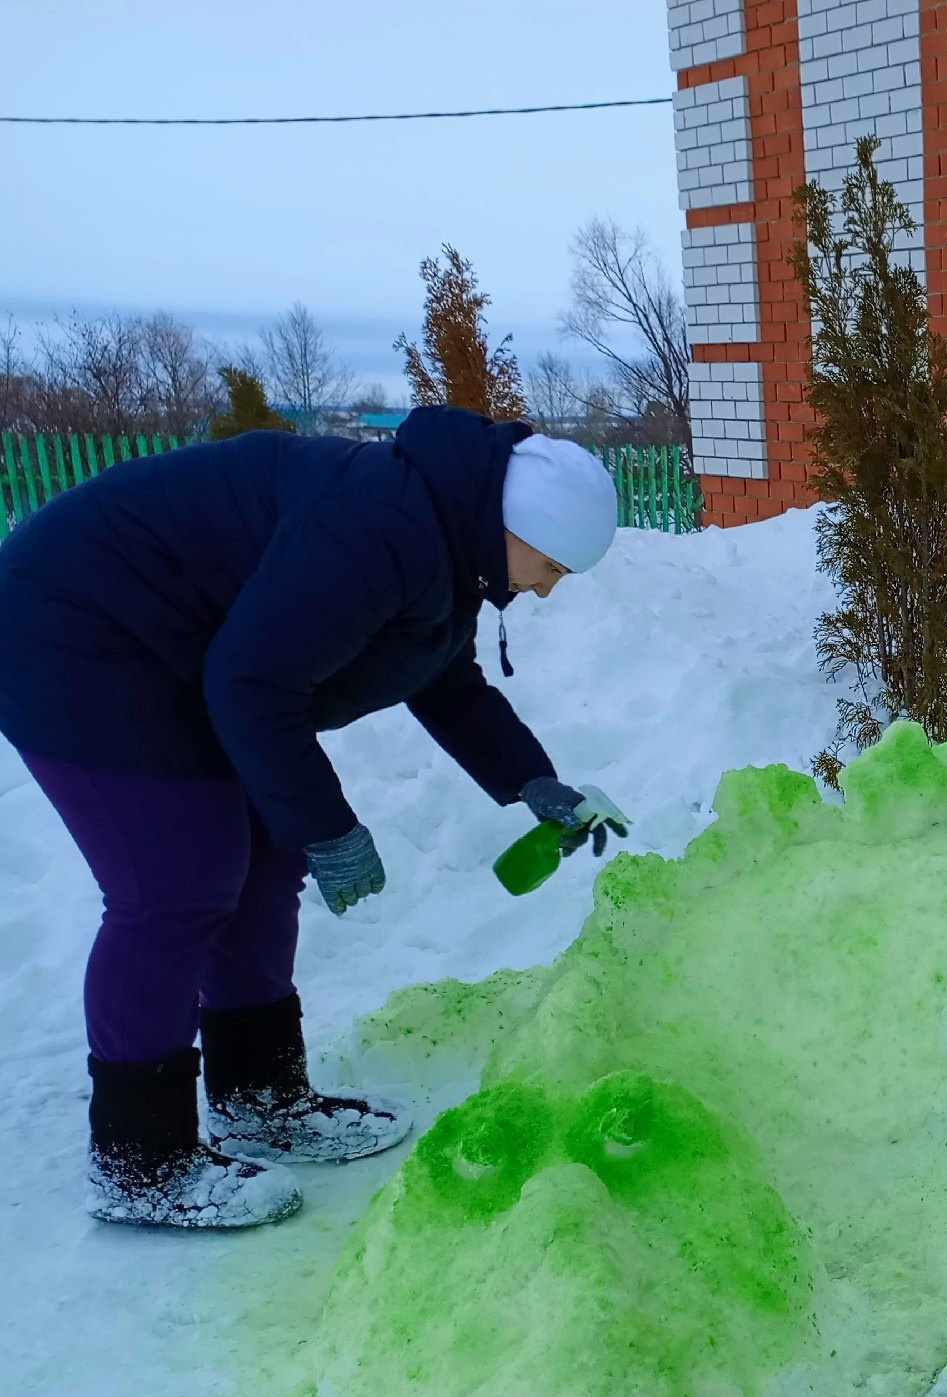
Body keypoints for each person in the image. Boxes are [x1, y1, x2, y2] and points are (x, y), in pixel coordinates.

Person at [0, 406, 631, 1229]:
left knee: (264, 856)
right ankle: (141, 1162)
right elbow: (253, 684)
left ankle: (261, 1098)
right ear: (514, 524)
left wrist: (531, 782)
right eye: (549, 565)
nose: (546, 589)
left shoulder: (445, 539)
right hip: (75, 629)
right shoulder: (381, 528)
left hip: (182, 648)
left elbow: (444, 679)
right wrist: (331, 825)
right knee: (175, 884)